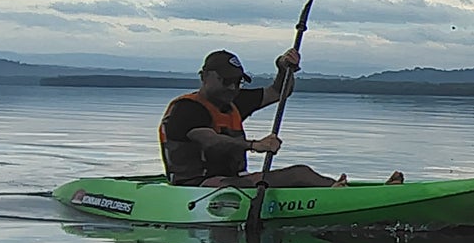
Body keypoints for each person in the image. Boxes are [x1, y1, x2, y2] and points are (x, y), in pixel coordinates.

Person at [159, 49, 402, 188]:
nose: (233, 86)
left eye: (238, 81)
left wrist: (283, 68)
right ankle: (339, 194)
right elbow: (210, 141)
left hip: (231, 181)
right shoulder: (186, 110)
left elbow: (279, 91)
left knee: (301, 173)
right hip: (196, 187)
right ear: (205, 77)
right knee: (298, 174)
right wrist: (255, 145)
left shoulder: (235, 101)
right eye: (226, 80)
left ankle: (347, 190)